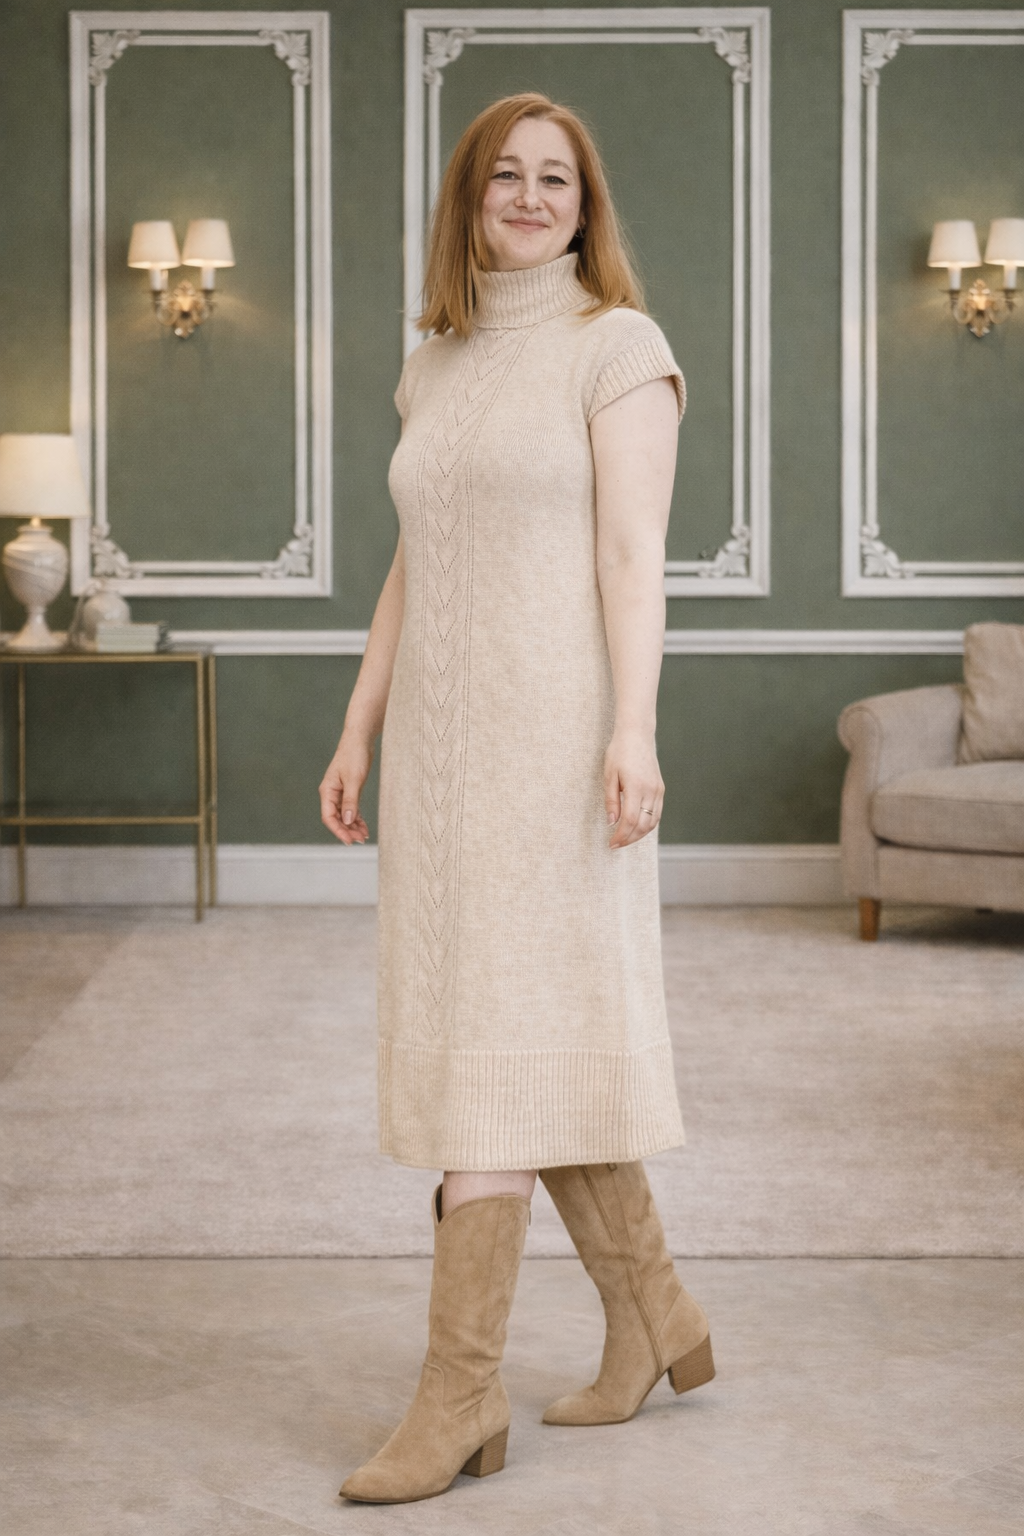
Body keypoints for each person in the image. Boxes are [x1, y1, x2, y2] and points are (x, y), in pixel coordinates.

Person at [319, 91, 713, 1506]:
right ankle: (655, 1315)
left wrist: (635, 732)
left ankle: (460, 1394)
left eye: (558, 179)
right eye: (506, 176)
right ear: (469, 200)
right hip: (441, 752)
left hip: (555, 744)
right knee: (502, 1037)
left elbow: (631, 554)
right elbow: (414, 560)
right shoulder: (433, 362)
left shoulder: (620, 348)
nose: (532, 197)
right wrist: (360, 724)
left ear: (585, 206)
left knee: (503, 1036)